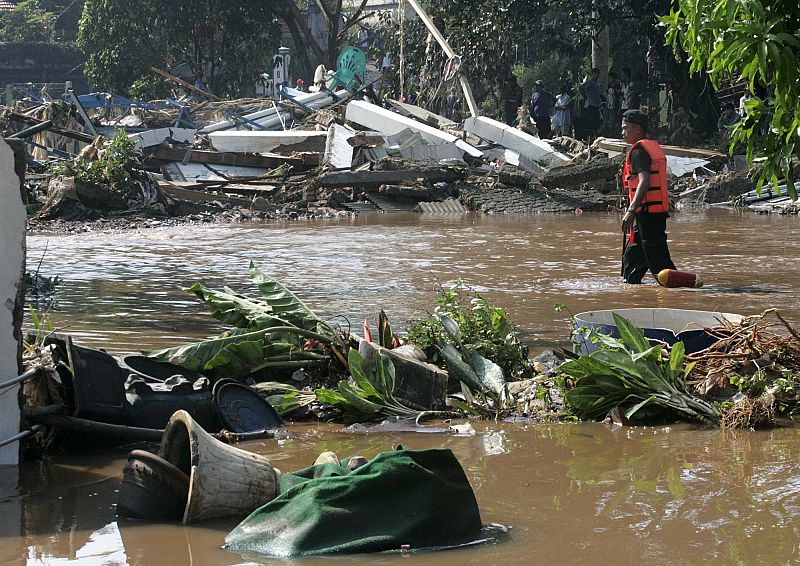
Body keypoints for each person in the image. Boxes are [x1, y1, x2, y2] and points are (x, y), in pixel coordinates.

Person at [620, 109, 677, 284]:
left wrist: (631, 210)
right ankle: (631, 286)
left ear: (637, 129)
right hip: (648, 212)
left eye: (625, 128)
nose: (622, 133)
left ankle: (684, 287)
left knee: (658, 261)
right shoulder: (649, 147)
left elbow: (644, 182)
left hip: (648, 213)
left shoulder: (639, 152)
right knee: (633, 255)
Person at [580, 68, 602, 139]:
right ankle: (590, 138)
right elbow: (581, 88)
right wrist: (585, 97)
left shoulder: (596, 83)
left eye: (597, 74)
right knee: (591, 123)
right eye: (595, 74)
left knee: (597, 123)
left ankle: (594, 137)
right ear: (592, 74)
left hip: (596, 105)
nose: (596, 75)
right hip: (590, 105)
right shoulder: (590, 82)